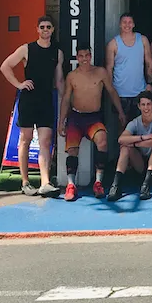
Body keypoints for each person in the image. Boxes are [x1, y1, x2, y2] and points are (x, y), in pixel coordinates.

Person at [0, 15, 64, 197]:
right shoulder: (26, 49)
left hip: (46, 99)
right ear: (37, 29)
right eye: (42, 27)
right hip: (29, 100)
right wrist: (19, 84)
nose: (45, 30)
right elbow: (5, 66)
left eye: (48, 27)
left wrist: (65, 99)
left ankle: (45, 182)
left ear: (53, 29)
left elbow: (59, 79)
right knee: (25, 139)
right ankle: (25, 182)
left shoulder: (57, 53)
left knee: (45, 141)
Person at [58, 44, 126, 201]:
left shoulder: (100, 72)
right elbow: (66, 99)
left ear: (91, 56)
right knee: (72, 148)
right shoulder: (72, 76)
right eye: (81, 56)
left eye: (87, 55)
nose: (84, 59)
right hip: (76, 117)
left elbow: (111, 91)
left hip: (94, 118)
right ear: (77, 57)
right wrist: (61, 121)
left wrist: (121, 112)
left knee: (102, 140)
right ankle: (71, 185)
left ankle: (98, 182)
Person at [107, 91, 152, 202]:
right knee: (125, 147)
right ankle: (116, 185)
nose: (146, 107)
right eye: (143, 104)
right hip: (141, 164)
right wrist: (143, 137)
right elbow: (121, 139)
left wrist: (134, 143)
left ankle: (146, 185)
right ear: (139, 106)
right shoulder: (134, 122)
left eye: (148, 104)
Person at [106, 13, 152, 129]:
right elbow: (109, 68)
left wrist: (150, 83)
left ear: (133, 24)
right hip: (120, 93)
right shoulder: (113, 44)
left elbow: (149, 63)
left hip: (140, 91)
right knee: (122, 128)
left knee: (141, 127)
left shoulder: (142, 40)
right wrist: (111, 90)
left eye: (129, 22)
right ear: (119, 24)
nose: (127, 25)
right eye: (124, 22)